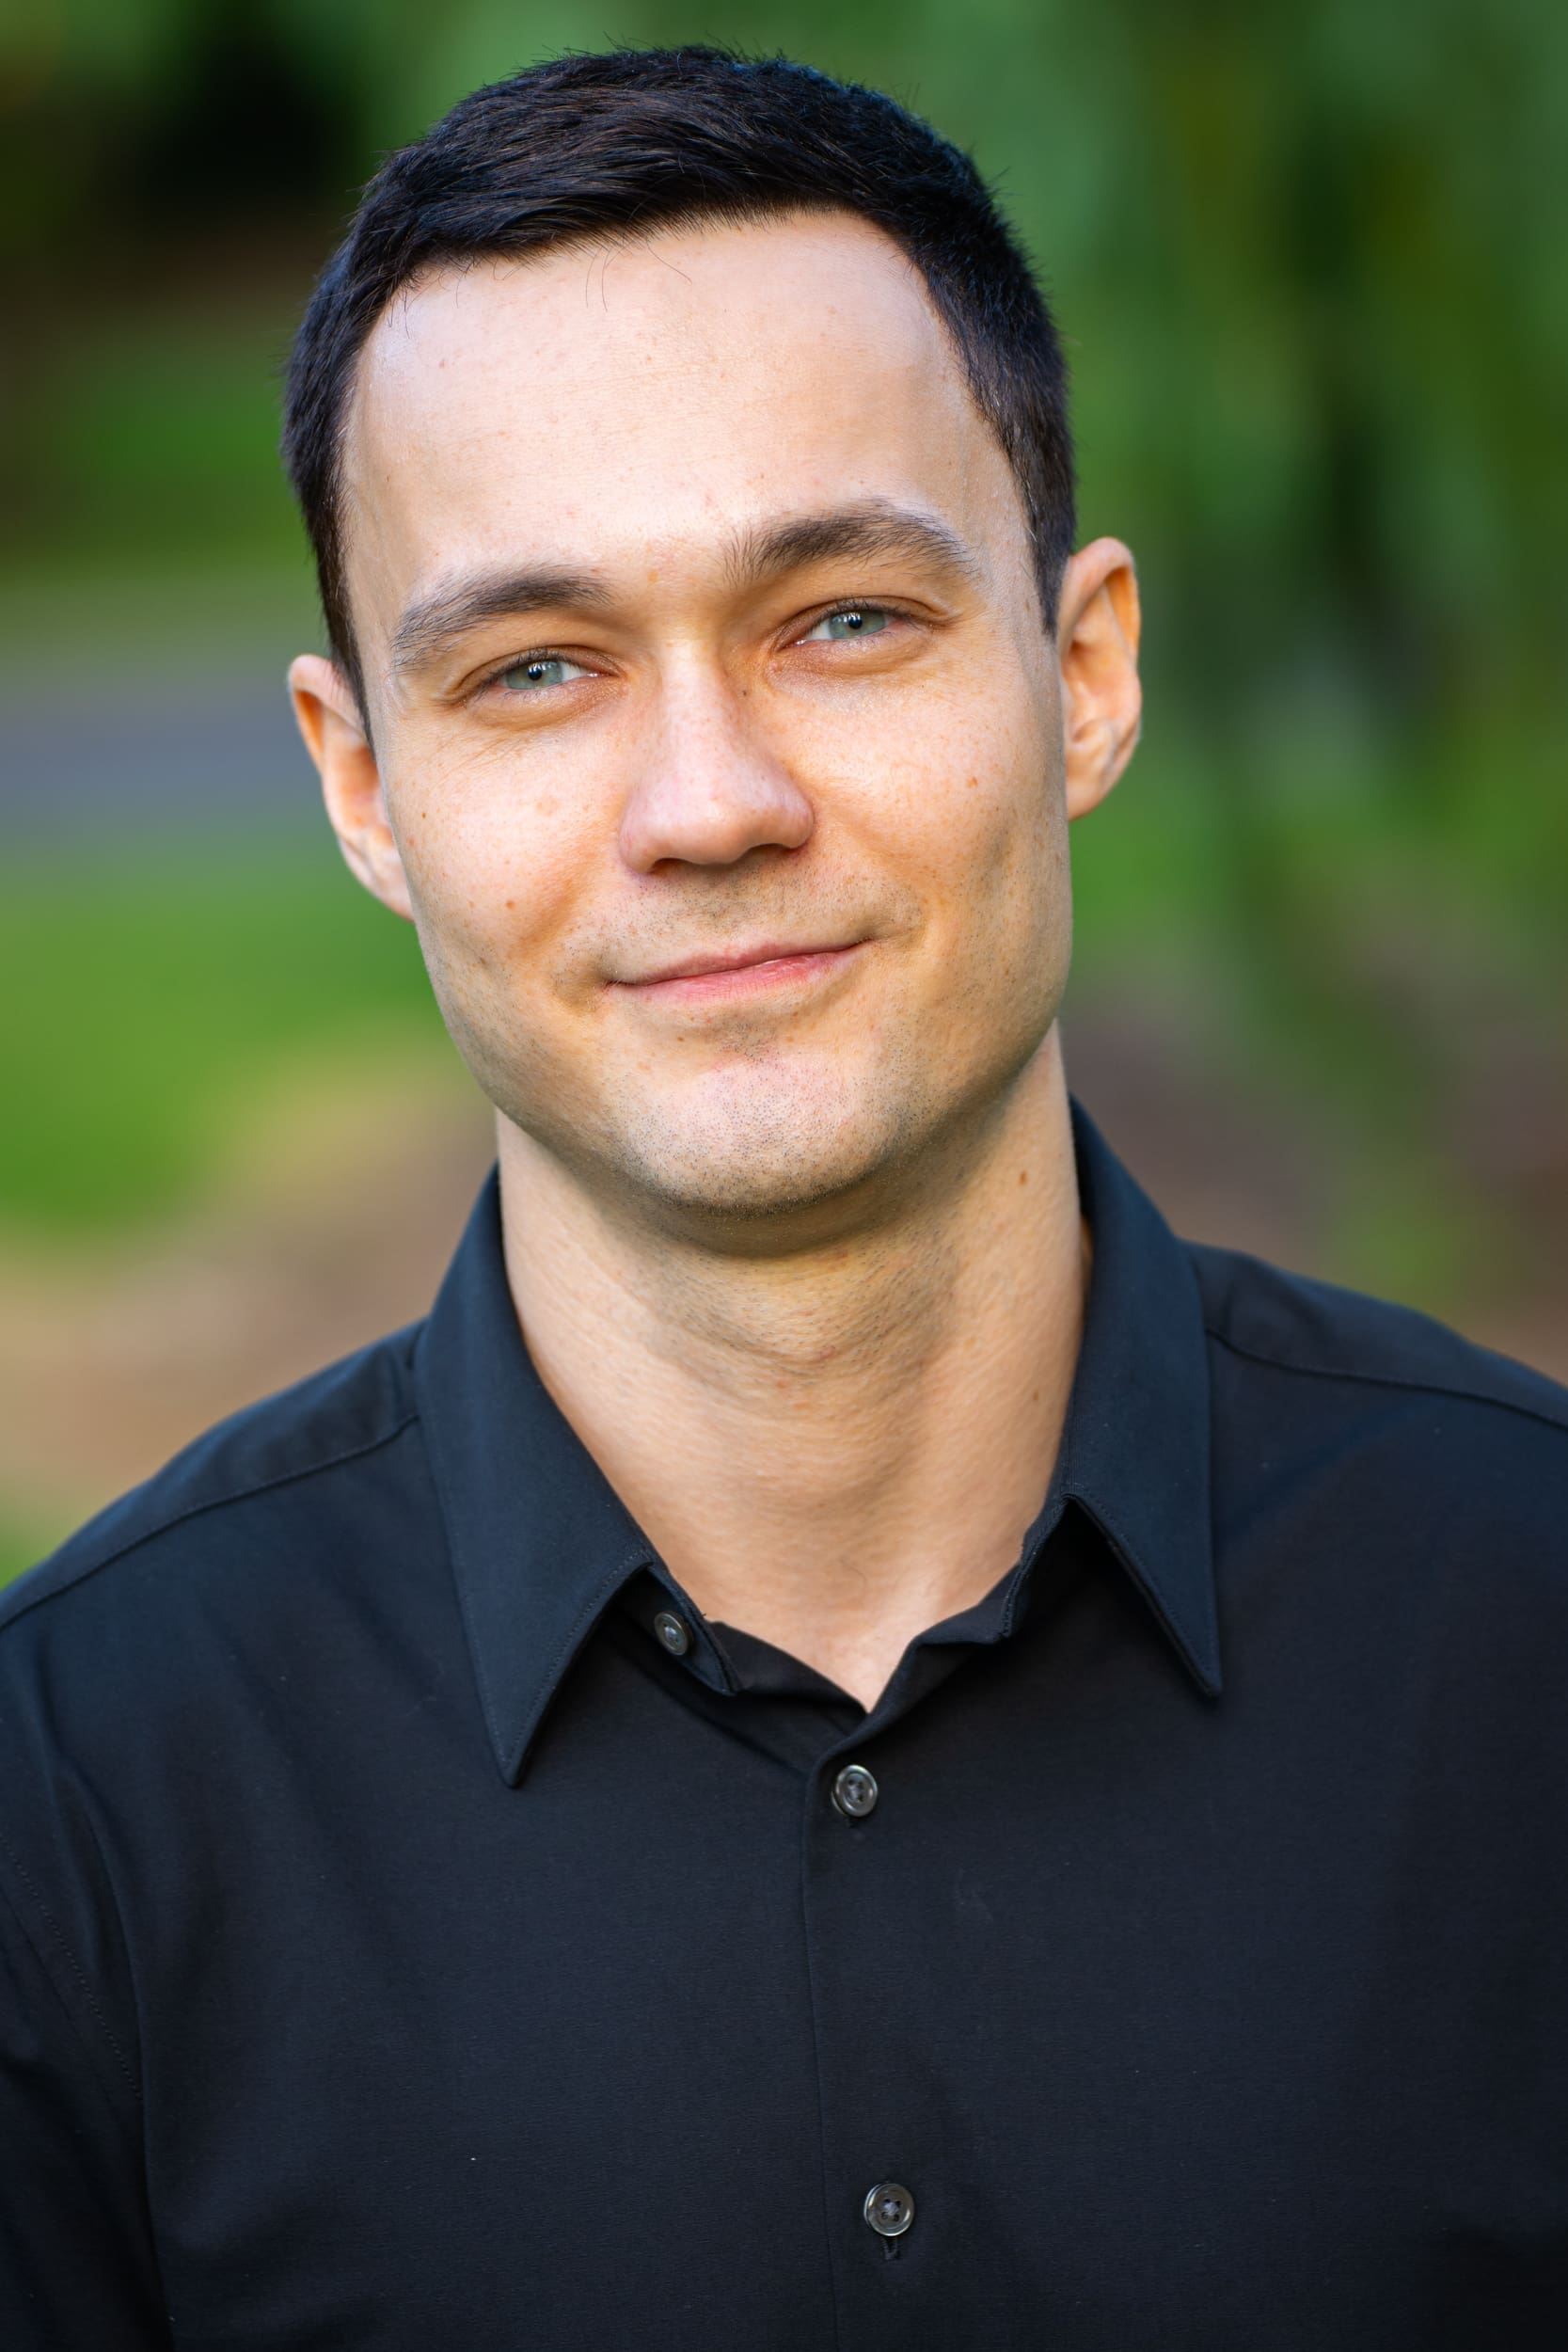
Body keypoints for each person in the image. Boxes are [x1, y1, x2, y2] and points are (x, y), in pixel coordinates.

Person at [2, 47, 1565, 2351]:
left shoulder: (1531, 1634)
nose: (708, 801)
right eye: (538, 671)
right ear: (364, 788)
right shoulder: (72, 1798)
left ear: (1088, 670)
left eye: (841, 615)